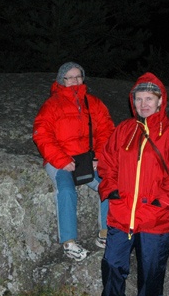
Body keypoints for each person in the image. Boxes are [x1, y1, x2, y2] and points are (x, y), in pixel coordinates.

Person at [92, 72, 169, 296]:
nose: (144, 104)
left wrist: (161, 204)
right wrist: (111, 191)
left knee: (150, 270)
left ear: (160, 102)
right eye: (139, 99)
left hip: (155, 219)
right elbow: (107, 164)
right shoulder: (124, 130)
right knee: (112, 264)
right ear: (132, 102)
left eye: (150, 98)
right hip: (122, 214)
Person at [33, 62, 115, 261]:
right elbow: (42, 135)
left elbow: (107, 130)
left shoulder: (94, 103)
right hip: (60, 160)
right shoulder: (51, 105)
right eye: (70, 77)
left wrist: (98, 157)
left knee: (110, 186)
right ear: (62, 80)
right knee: (67, 190)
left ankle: (105, 235)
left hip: (87, 160)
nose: (75, 81)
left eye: (78, 76)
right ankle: (69, 243)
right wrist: (62, 161)